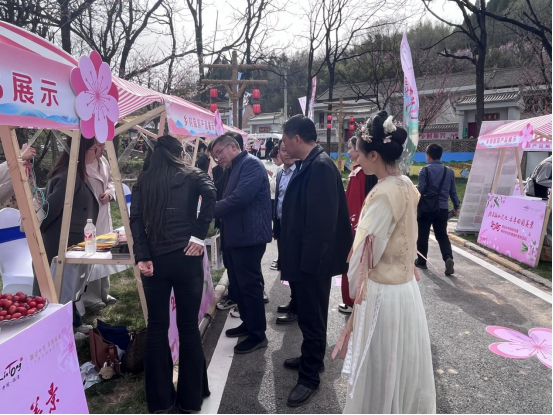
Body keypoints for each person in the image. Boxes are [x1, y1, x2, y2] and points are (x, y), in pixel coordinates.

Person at [334, 111, 436, 414]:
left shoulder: (381, 194)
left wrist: (354, 290)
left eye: (359, 151)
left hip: (382, 292)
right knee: (401, 362)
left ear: (374, 155)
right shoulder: (405, 184)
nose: (357, 158)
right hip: (405, 288)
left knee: (380, 365)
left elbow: (366, 255)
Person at [130, 135, 216, 413]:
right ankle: (191, 399)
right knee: (188, 326)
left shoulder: (143, 180)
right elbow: (212, 193)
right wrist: (198, 235)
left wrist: (142, 255)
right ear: (179, 153)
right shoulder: (192, 174)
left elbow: (135, 220)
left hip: (154, 260)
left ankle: (160, 401)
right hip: (186, 257)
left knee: (157, 326)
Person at [279, 115, 352, 407]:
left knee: (313, 319)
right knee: (309, 317)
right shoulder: (309, 163)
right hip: (303, 259)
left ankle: (310, 377)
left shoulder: (320, 167)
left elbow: (321, 224)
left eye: (285, 140)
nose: (283, 146)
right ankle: (312, 358)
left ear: (297, 139)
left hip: (312, 263)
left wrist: (308, 265)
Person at [211, 134, 272, 354]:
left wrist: (209, 210)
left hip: (249, 237)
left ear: (233, 147)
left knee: (250, 286)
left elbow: (240, 198)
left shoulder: (251, 164)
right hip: (237, 236)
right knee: (239, 285)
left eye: (219, 153)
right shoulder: (233, 167)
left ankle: (258, 334)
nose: (217, 159)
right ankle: (248, 323)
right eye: (214, 156)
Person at [39, 136, 99, 333]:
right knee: (60, 287)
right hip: (59, 241)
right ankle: (61, 330)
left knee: (69, 285)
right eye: (94, 149)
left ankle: (74, 323)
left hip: (72, 240)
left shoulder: (76, 173)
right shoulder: (67, 176)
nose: (97, 154)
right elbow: (50, 211)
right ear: (82, 151)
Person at [337, 137, 377, 315]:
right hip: (373, 227)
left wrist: (348, 228)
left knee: (352, 264)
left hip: (358, 228)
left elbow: (352, 206)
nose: (349, 152)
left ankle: (351, 300)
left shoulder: (357, 174)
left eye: (351, 148)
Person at [82, 141, 118, 309]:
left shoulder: (103, 161)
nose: (102, 149)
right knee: (91, 255)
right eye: (99, 145)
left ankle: (104, 292)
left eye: (104, 145)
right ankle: (91, 297)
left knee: (104, 253)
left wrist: (110, 193)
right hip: (89, 216)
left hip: (104, 213)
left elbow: (111, 181)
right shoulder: (81, 165)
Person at [415, 143, 460, 275]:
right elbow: (453, 192)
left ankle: (422, 261)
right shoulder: (449, 171)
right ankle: (448, 258)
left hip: (426, 209)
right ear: (441, 155)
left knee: (423, 235)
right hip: (442, 209)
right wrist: (456, 206)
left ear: (428, 156)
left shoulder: (424, 170)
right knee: (442, 235)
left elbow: (420, 189)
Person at [273, 140, 298, 324]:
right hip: (282, 226)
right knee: (287, 267)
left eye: (289, 149)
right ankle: (293, 301)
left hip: (295, 229)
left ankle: (298, 307)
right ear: (279, 154)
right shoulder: (280, 173)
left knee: (295, 269)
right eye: (283, 150)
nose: (287, 153)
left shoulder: (301, 172)